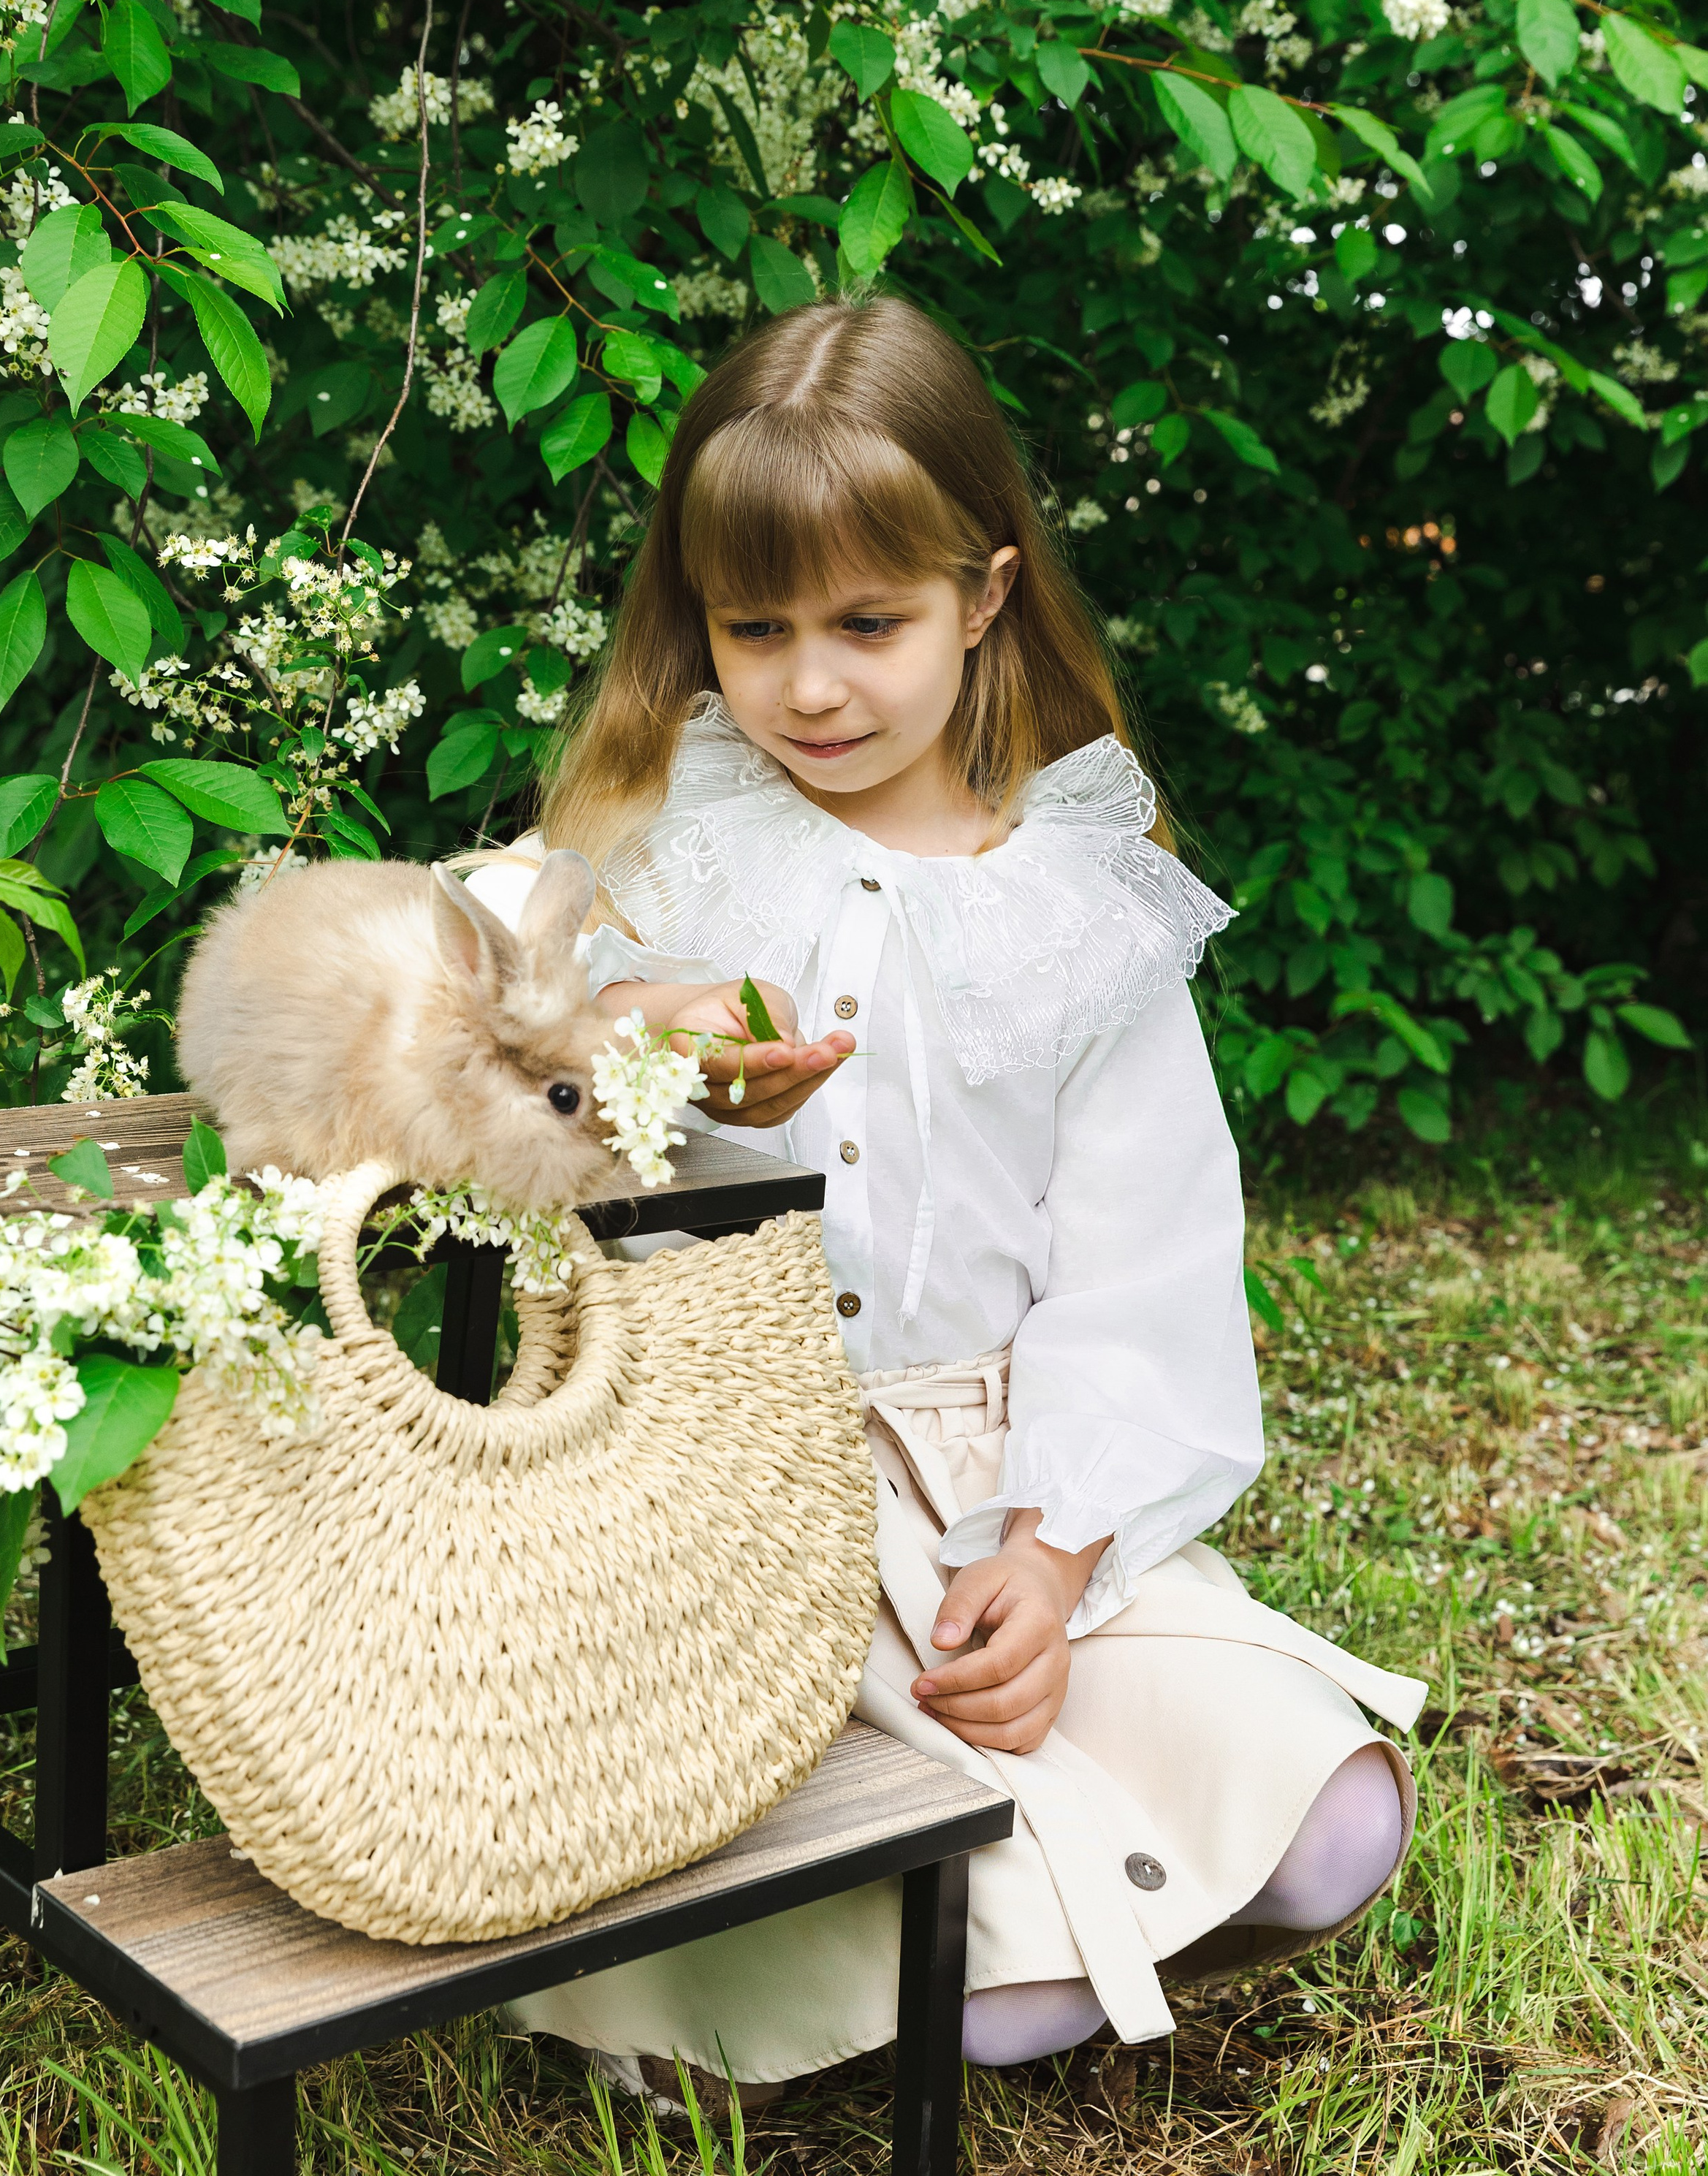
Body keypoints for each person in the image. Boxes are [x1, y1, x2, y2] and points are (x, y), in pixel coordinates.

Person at [466, 294, 1424, 2092]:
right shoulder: (648, 844)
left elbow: (1141, 1263)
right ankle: (705, 1997)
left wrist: (1052, 1559)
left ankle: (1012, 1877)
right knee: (998, 1993)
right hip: (711, 1499)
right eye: (754, 628)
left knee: (1332, 1824)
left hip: (980, 1485)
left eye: (867, 623)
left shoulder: (1072, 904)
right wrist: (618, 1027)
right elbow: (399, 1015)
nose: (809, 686)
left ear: (981, 597)